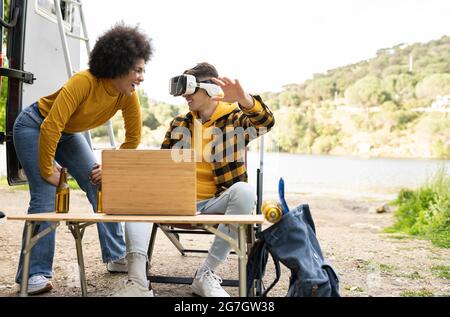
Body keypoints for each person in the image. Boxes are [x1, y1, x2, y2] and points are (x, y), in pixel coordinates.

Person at [13, 23, 153, 295]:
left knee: (100, 182)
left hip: (68, 133)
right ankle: (33, 273)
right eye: (137, 70)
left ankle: (115, 255)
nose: (141, 77)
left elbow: (132, 138)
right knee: (47, 195)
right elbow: (50, 126)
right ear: (117, 64)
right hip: (35, 125)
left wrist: (111, 168)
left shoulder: (127, 95)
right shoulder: (84, 81)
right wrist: (47, 170)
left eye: (143, 70)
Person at [113, 62, 275, 297]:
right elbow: (159, 167)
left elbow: (266, 123)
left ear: (209, 89)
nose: (185, 97)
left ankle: (205, 275)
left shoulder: (235, 118)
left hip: (215, 202)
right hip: (176, 202)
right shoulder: (179, 123)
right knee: (141, 196)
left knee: (245, 192)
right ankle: (137, 282)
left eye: (190, 90)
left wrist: (245, 100)